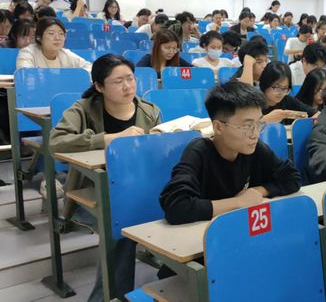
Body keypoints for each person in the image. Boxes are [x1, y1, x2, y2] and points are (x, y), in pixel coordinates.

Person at [49, 54, 161, 301]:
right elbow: (56, 142)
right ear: (99, 86)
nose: (127, 86)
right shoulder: (82, 109)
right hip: (92, 194)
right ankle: (107, 298)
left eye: (130, 78)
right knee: (121, 224)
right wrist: (106, 139)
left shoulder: (149, 111)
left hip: (140, 189)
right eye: (118, 81)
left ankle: (171, 278)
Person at [159, 80, 301, 224]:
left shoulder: (254, 147)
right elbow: (176, 207)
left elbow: (292, 178)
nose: (255, 134)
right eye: (247, 126)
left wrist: (259, 191)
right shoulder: (198, 151)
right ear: (218, 127)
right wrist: (238, 202)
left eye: (259, 124)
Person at [16, 18, 91, 72]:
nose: (57, 38)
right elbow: (25, 74)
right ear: (39, 37)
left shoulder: (65, 54)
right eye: (51, 33)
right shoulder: (27, 52)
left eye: (61, 34)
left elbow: (89, 67)